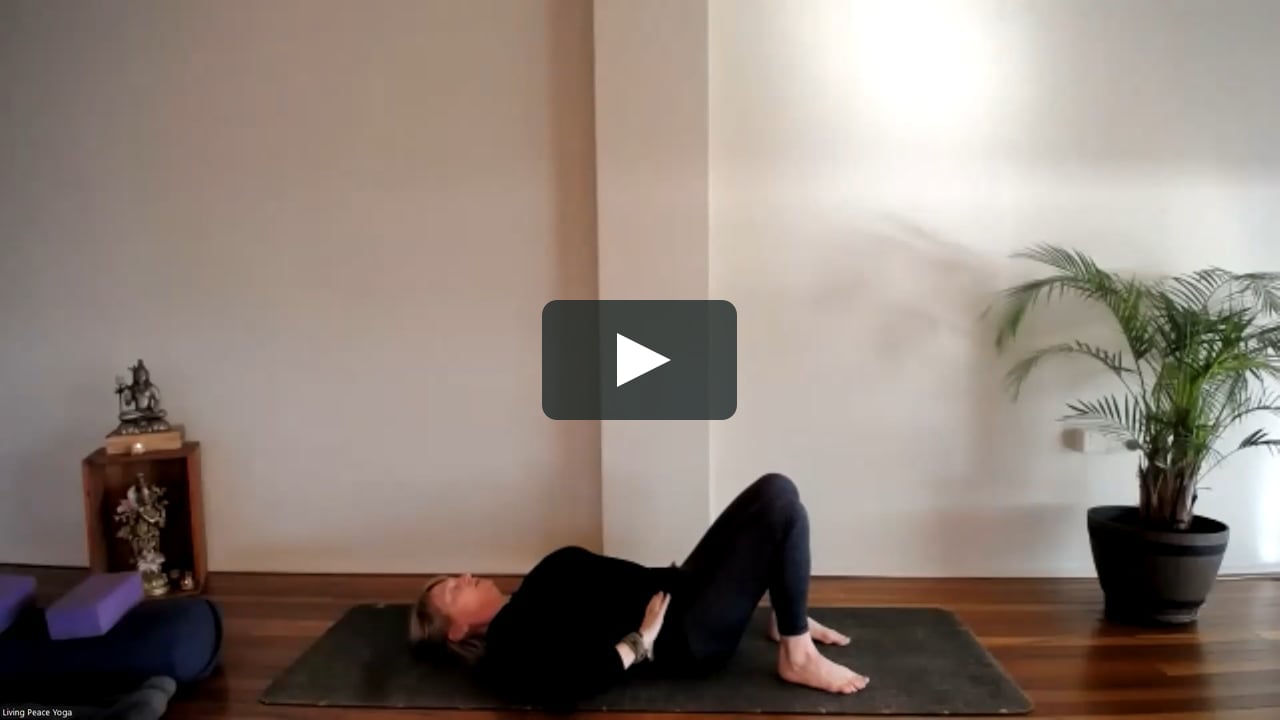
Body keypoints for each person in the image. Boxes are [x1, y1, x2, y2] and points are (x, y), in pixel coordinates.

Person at [409, 473, 869, 707]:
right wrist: (639, 641)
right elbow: (561, 690)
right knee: (781, 509)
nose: (464, 576)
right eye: (451, 590)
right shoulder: (506, 646)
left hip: (681, 587)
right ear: (456, 630)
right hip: (685, 633)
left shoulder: (527, 594)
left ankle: (787, 616)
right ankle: (797, 654)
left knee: (776, 488)